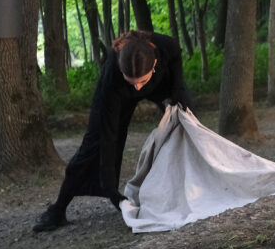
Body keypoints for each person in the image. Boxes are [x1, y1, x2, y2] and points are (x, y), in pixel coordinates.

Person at [33, 30, 193, 232]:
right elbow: (108, 134)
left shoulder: (163, 45)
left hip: (160, 84)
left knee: (185, 120)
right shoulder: (113, 75)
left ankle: (187, 192)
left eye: (141, 82)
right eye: (132, 81)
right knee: (95, 144)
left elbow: (176, 53)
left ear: (154, 65)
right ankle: (58, 209)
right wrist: (109, 186)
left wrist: (177, 90)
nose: (137, 88)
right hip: (116, 93)